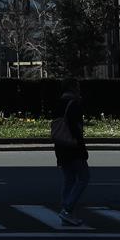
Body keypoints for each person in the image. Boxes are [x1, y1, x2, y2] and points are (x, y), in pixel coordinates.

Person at [54, 78, 89, 226]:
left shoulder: (59, 103)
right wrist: (82, 148)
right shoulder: (74, 104)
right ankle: (67, 209)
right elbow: (76, 129)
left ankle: (67, 212)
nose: (79, 89)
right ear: (73, 88)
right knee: (84, 177)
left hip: (60, 145)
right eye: (77, 86)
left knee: (69, 179)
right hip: (73, 146)